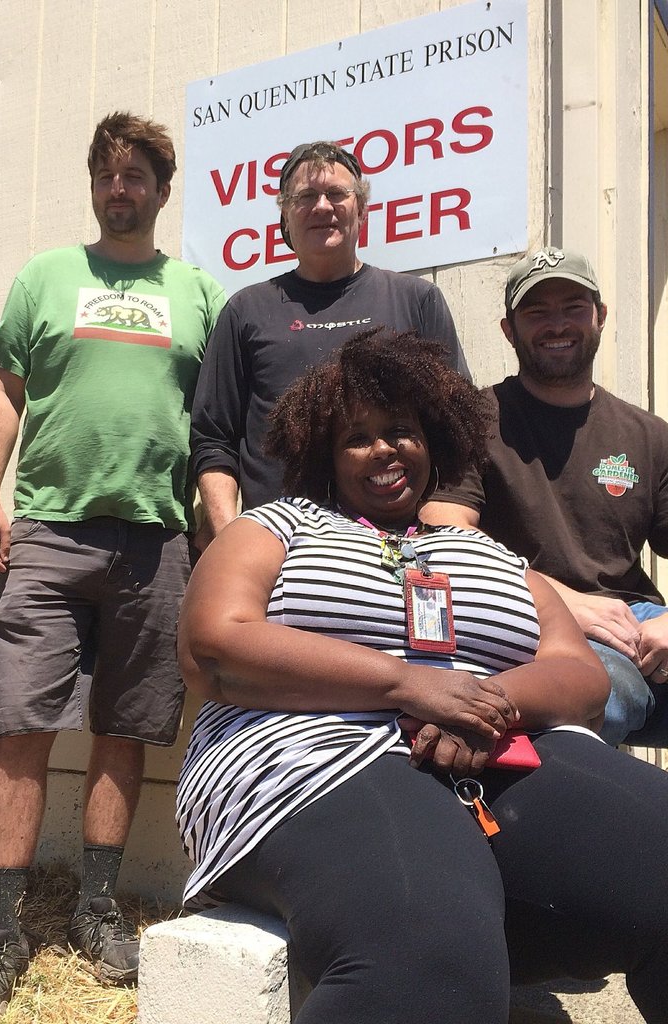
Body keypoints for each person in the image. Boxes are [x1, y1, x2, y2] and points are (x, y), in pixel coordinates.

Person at [176, 328, 668, 1024]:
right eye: (357, 438)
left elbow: (579, 672)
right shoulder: (276, 527)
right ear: (324, 454)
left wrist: (484, 704)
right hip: (312, 757)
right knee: (427, 956)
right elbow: (214, 645)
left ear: (434, 441)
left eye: (401, 430)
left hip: (501, 747)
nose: (384, 449)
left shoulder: (487, 552)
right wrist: (411, 686)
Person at [0, 112, 224, 1024]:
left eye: (136, 175)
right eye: (106, 174)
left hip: (158, 539)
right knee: (21, 724)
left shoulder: (198, 291)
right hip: (49, 532)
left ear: (162, 190)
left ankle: (96, 909)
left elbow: (217, 421)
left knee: (125, 727)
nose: (119, 188)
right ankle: (0, 933)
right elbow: (3, 386)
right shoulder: (47, 275)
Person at [420, 246, 668, 746]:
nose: (557, 325)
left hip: (634, 620)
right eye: (537, 312)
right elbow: (442, 532)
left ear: (600, 316)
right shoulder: (475, 419)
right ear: (509, 330)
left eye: (573, 307)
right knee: (598, 692)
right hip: (527, 619)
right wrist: (563, 602)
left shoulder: (648, 434)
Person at [190, 140, 469, 542]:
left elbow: (457, 429)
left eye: (337, 193)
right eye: (305, 197)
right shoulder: (245, 311)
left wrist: (434, 534)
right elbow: (214, 439)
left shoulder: (417, 300)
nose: (322, 207)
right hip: (279, 549)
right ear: (285, 217)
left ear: (362, 209)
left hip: (394, 548)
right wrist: (230, 539)